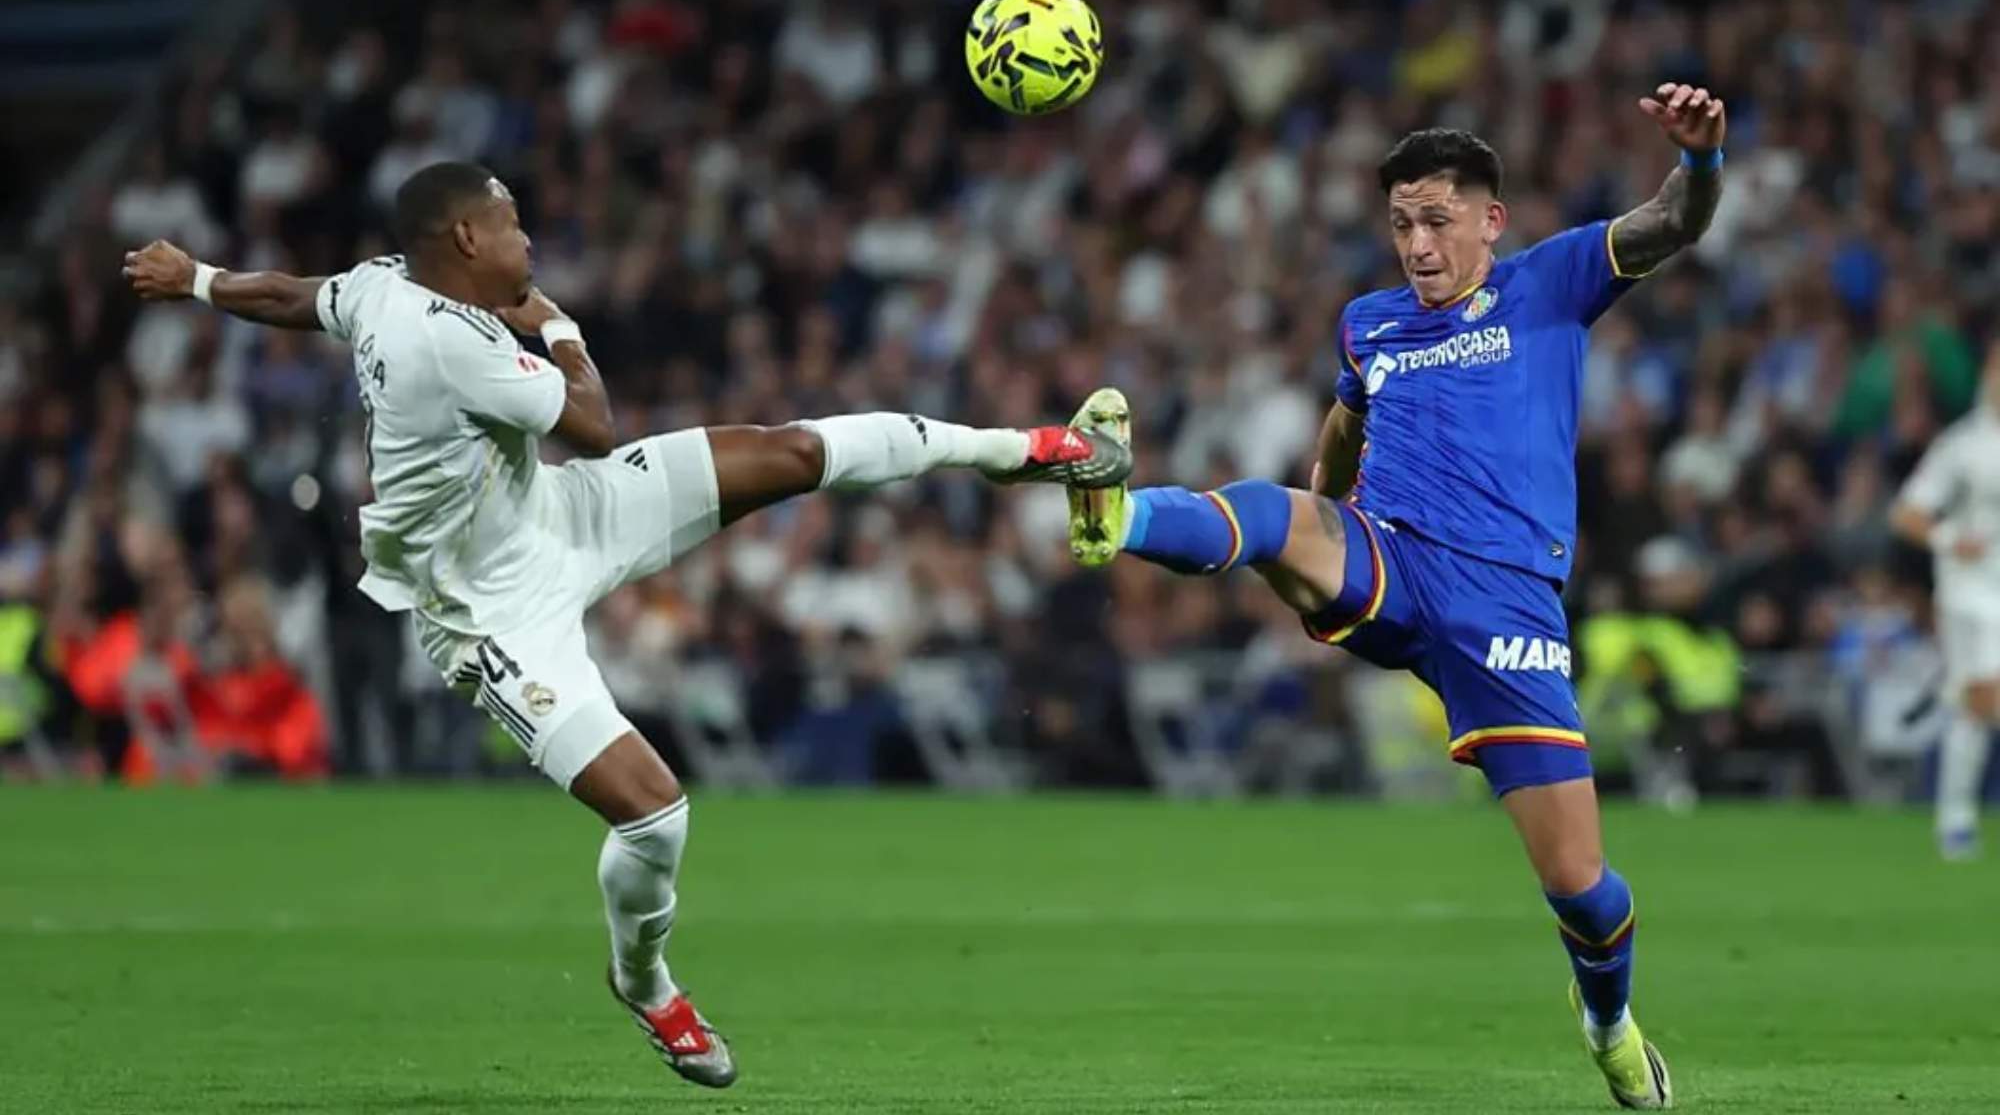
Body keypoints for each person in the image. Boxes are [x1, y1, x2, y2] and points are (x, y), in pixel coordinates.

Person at [122, 161, 1131, 1089]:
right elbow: (593, 420)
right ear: (467, 242)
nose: (529, 241)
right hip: (490, 617)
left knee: (788, 451)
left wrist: (199, 278)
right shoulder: (450, 347)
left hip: (556, 515)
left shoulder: (384, 285)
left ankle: (1041, 449)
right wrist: (558, 327)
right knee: (655, 814)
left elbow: (302, 297)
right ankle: (643, 981)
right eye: (512, 223)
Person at [1061, 83, 1728, 1109]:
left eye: (1436, 221)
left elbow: (1669, 225)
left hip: (1508, 606)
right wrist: (1318, 513)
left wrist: (1698, 162)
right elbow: (1344, 424)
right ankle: (1119, 511)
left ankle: (1607, 1026)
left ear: (1488, 221)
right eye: (1400, 224)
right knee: (1275, 510)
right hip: (1394, 560)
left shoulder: (1551, 281)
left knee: (1581, 894)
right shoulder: (1367, 324)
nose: (1415, 245)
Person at [1891, 341, 2000, 861]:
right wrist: (1951, 539)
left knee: (1974, 709)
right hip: (1970, 592)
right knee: (1987, 695)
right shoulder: (1963, 446)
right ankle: (1955, 818)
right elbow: (1907, 513)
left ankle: (1955, 820)